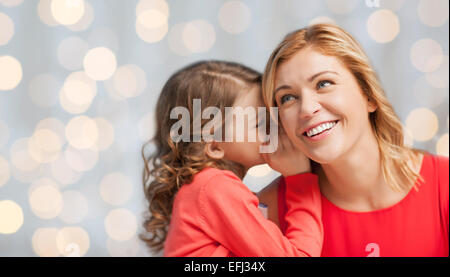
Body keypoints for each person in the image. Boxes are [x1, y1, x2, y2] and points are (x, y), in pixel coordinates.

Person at [258, 23, 449, 257]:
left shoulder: (444, 186)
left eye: (323, 84)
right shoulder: (269, 208)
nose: (306, 109)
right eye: (287, 98)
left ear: (368, 95)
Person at [140, 60, 323, 257]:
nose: (276, 128)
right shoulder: (215, 187)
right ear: (214, 145)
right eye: (260, 123)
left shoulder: (201, 188)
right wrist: (300, 179)